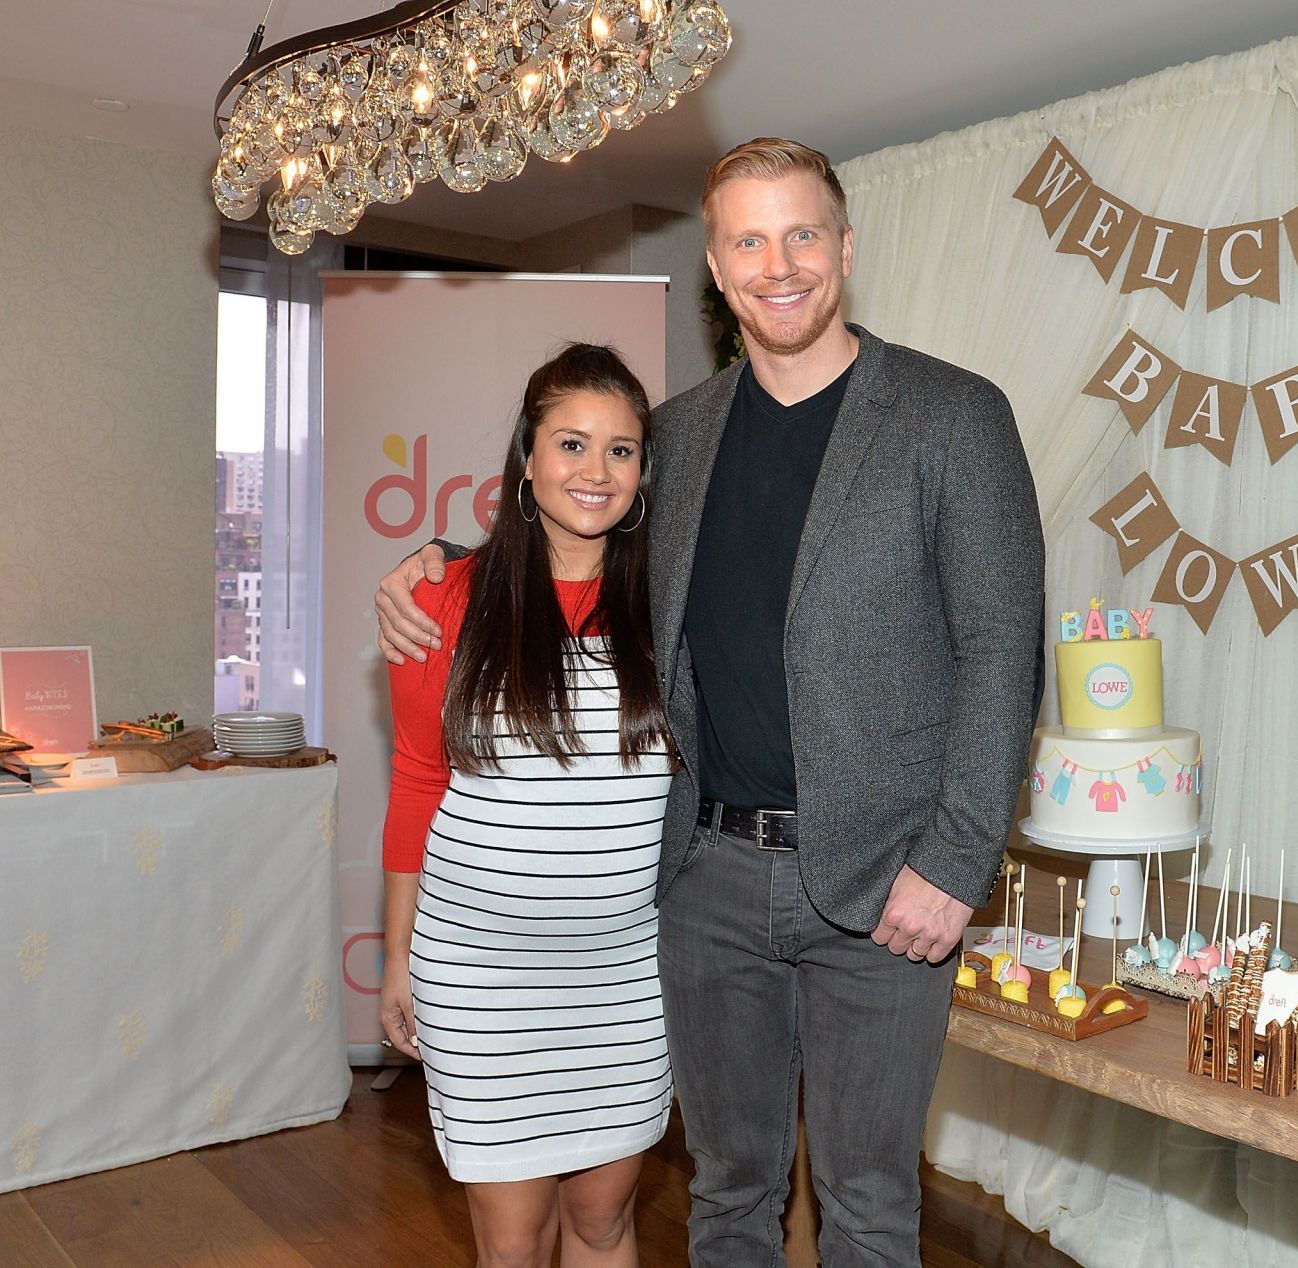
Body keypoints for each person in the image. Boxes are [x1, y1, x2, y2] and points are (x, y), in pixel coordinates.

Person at [377, 137, 1045, 1266]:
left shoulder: (953, 415)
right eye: (749, 239)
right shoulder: (675, 438)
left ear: (842, 246)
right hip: (702, 885)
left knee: (872, 1199)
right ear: (717, 269)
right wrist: (433, 562)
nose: (778, 263)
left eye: (801, 234)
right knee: (728, 1192)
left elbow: (1002, 649)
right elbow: (567, 531)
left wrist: (957, 860)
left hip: (885, 884)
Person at [379, 344, 676, 1268]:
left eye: (621, 451)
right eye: (572, 444)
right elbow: (420, 777)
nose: (596, 471)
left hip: (622, 981)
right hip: (480, 980)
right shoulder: (442, 596)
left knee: (601, 1222)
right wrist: (395, 956)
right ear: (528, 457)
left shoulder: (671, 601)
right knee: (510, 1244)